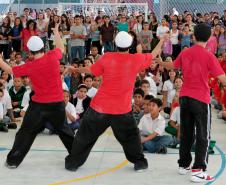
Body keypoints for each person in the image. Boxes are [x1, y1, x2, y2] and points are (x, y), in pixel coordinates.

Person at [64, 31, 165, 172]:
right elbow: (153, 55)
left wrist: (74, 68)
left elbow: (90, 70)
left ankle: (72, 163)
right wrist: (162, 41)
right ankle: (139, 163)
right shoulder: (135, 59)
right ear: (130, 45)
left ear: (115, 44)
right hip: (122, 110)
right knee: (131, 137)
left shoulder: (107, 57)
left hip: (99, 107)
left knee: (85, 136)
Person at [157, 23, 226, 183]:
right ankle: (199, 170)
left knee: (187, 132)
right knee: (203, 135)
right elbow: (222, 78)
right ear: (209, 38)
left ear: (193, 36)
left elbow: (172, 65)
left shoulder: (186, 52)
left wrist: (160, 63)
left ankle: (183, 165)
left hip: (185, 97)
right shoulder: (209, 56)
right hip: (200, 99)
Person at [0, 22, 74, 169]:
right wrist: (56, 31)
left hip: (39, 105)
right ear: (43, 48)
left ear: (30, 52)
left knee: (26, 132)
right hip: (58, 103)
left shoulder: (30, 66)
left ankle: (13, 161)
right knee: (65, 131)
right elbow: (61, 47)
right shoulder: (53, 56)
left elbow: (10, 70)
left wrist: (0, 60)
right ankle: (76, 159)